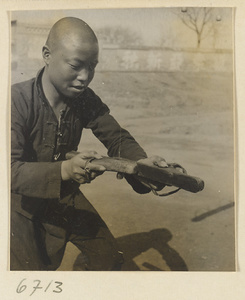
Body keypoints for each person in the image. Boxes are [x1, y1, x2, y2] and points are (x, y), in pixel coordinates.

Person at [11, 17, 167, 271]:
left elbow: (115, 136)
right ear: (47, 55)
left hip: (65, 198)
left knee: (108, 258)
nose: (85, 77)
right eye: (75, 65)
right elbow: (8, 171)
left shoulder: (84, 99)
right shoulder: (15, 101)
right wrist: (65, 170)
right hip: (20, 208)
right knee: (30, 277)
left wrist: (141, 163)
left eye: (92, 67)